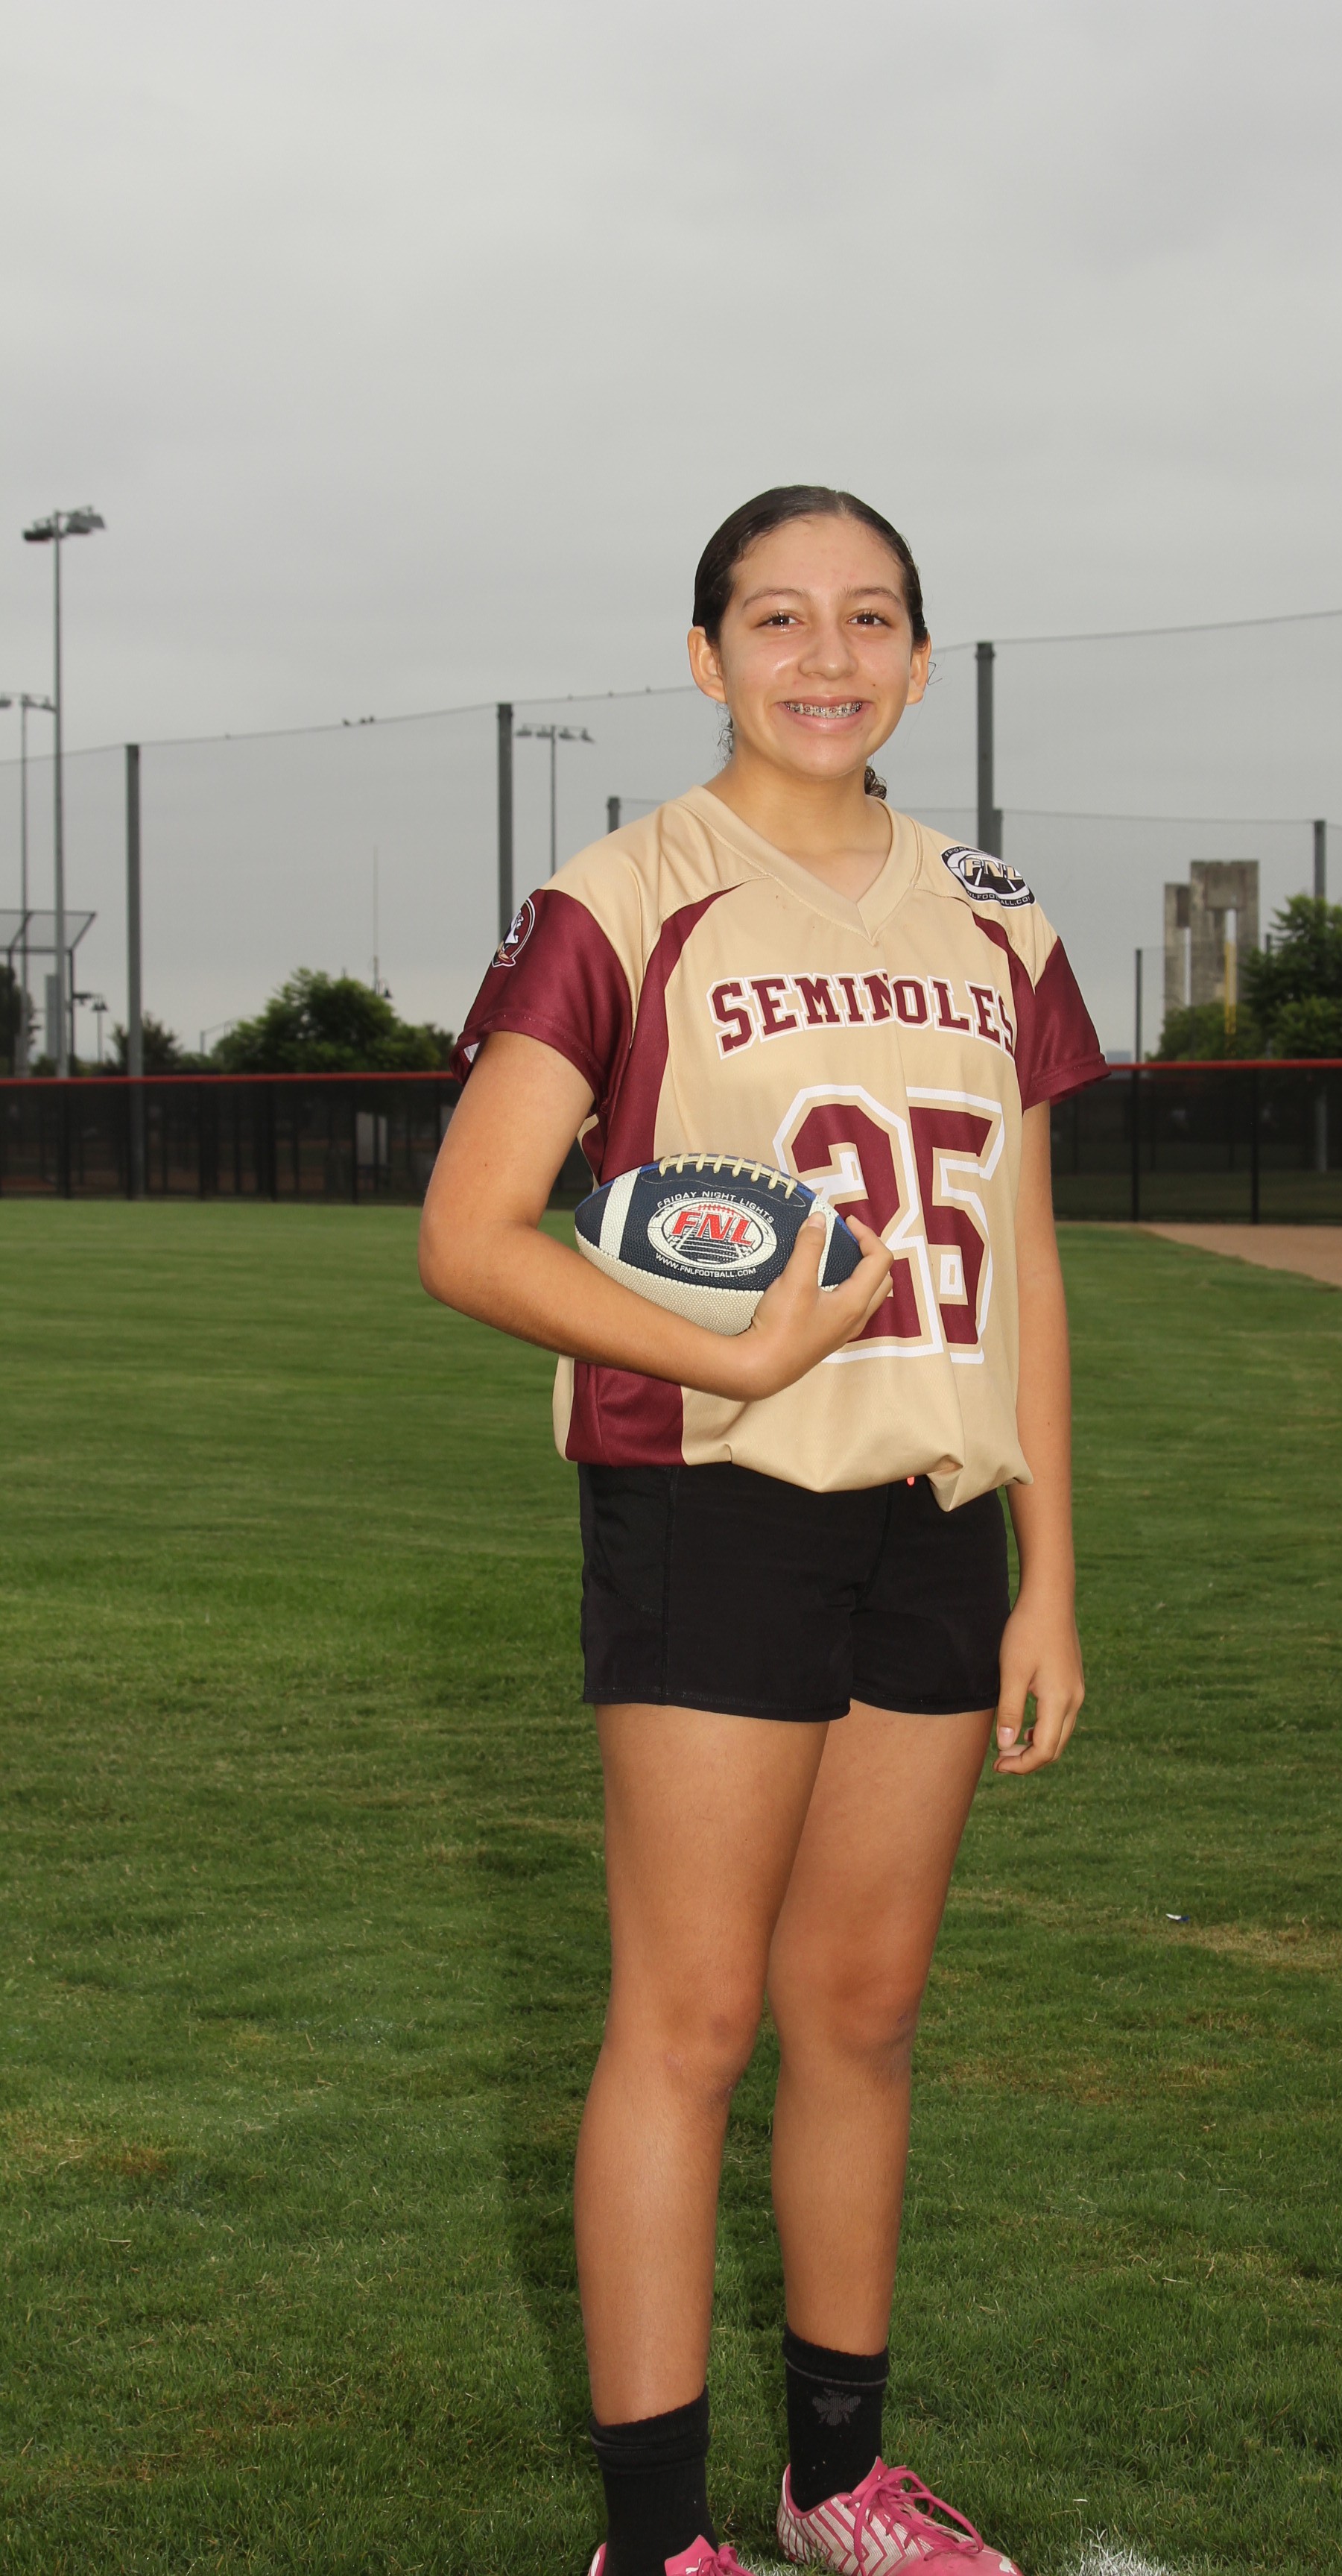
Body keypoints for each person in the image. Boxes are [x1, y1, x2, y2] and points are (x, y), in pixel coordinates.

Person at [420, 486, 1107, 2576]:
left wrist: (1054, 1576)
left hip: (933, 1513)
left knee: (864, 2014)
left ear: (922, 656)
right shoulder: (623, 896)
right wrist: (728, 1350)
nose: (829, 656)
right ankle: (653, 2541)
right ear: (707, 655)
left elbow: (1027, 1264)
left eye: (871, 617)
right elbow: (471, 1234)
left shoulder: (998, 918)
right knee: (691, 2019)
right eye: (780, 618)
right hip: (707, 1502)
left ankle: (835, 2487)